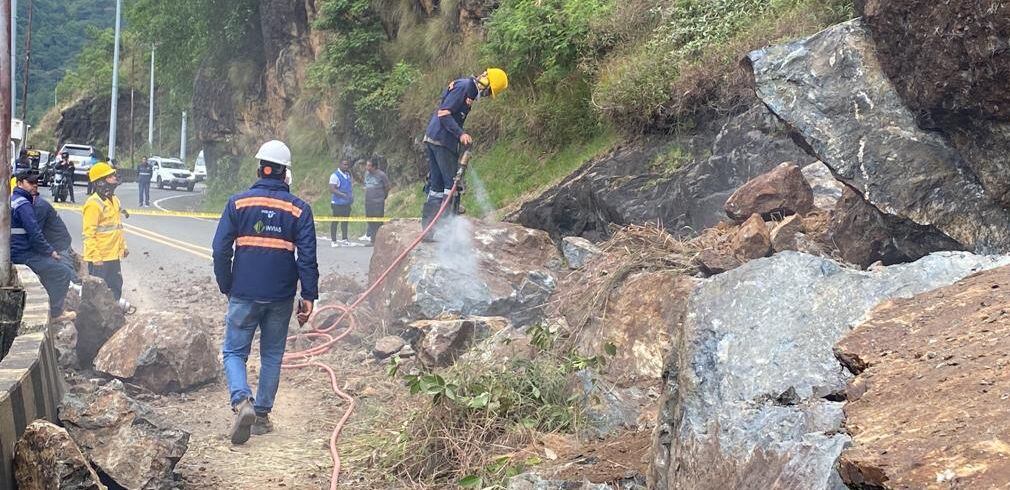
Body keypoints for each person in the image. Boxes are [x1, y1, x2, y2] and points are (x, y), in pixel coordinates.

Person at [212, 140, 318, 445]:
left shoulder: (238, 203)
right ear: (285, 173)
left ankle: (241, 402)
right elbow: (307, 259)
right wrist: (308, 296)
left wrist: (226, 284)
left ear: (260, 168)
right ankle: (261, 415)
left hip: (243, 291)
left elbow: (220, 250)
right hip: (281, 296)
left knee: (234, 351)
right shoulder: (300, 209)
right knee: (271, 354)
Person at [420, 68, 508, 229]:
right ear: (486, 84)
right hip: (442, 140)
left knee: (437, 186)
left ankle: (429, 229)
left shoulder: (465, 88)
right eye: (489, 92)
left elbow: (444, 102)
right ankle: (448, 228)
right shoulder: (465, 87)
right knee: (451, 185)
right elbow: (444, 113)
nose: (487, 96)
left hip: (436, 137)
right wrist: (460, 134)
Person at [10, 171, 76, 324]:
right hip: (22, 254)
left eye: (36, 183)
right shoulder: (25, 205)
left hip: (15, 251)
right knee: (63, 272)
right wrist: (50, 252)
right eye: (30, 183)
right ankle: (55, 313)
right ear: (20, 183)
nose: (34, 186)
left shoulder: (13, 200)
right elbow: (35, 234)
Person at [82, 162, 131, 312]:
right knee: (98, 293)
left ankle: (114, 315)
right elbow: (88, 233)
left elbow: (117, 227)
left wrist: (124, 247)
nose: (114, 178)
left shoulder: (114, 200)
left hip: (113, 255)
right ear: (101, 181)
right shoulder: (93, 204)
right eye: (110, 176)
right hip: (99, 258)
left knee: (115, 286)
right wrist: (96, 257)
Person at [34, 194, 81, 286]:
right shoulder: (35, 204)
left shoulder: (39, 206)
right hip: (56, 243)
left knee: (69, 276)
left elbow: (35, 232)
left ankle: (79, 293)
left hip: (59, 245)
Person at [360, 158, 390, 244]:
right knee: (370, 221)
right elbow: (366, 184)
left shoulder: (381, 175)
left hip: (378, 202)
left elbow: (387, 187)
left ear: (374, 167)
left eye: (369, 165)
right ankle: (372, 240)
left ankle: (379, 241)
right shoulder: (366, 174)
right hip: (368, 202)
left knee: (378, 222)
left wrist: (383, 197)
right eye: (367, 165)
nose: (367, 167)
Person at [328, 159, 353, 247]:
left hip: (346, 203)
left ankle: (344, 238)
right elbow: (332, 189)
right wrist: (342, 195)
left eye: (347, 165)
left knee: (345, 221)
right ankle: (333, 240)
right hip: (337, 203)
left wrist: (350, 197)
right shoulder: (334, 176)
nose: (346, 166)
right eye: (344, 164)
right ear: (340, 165)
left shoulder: (348, 175)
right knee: (335, 221)